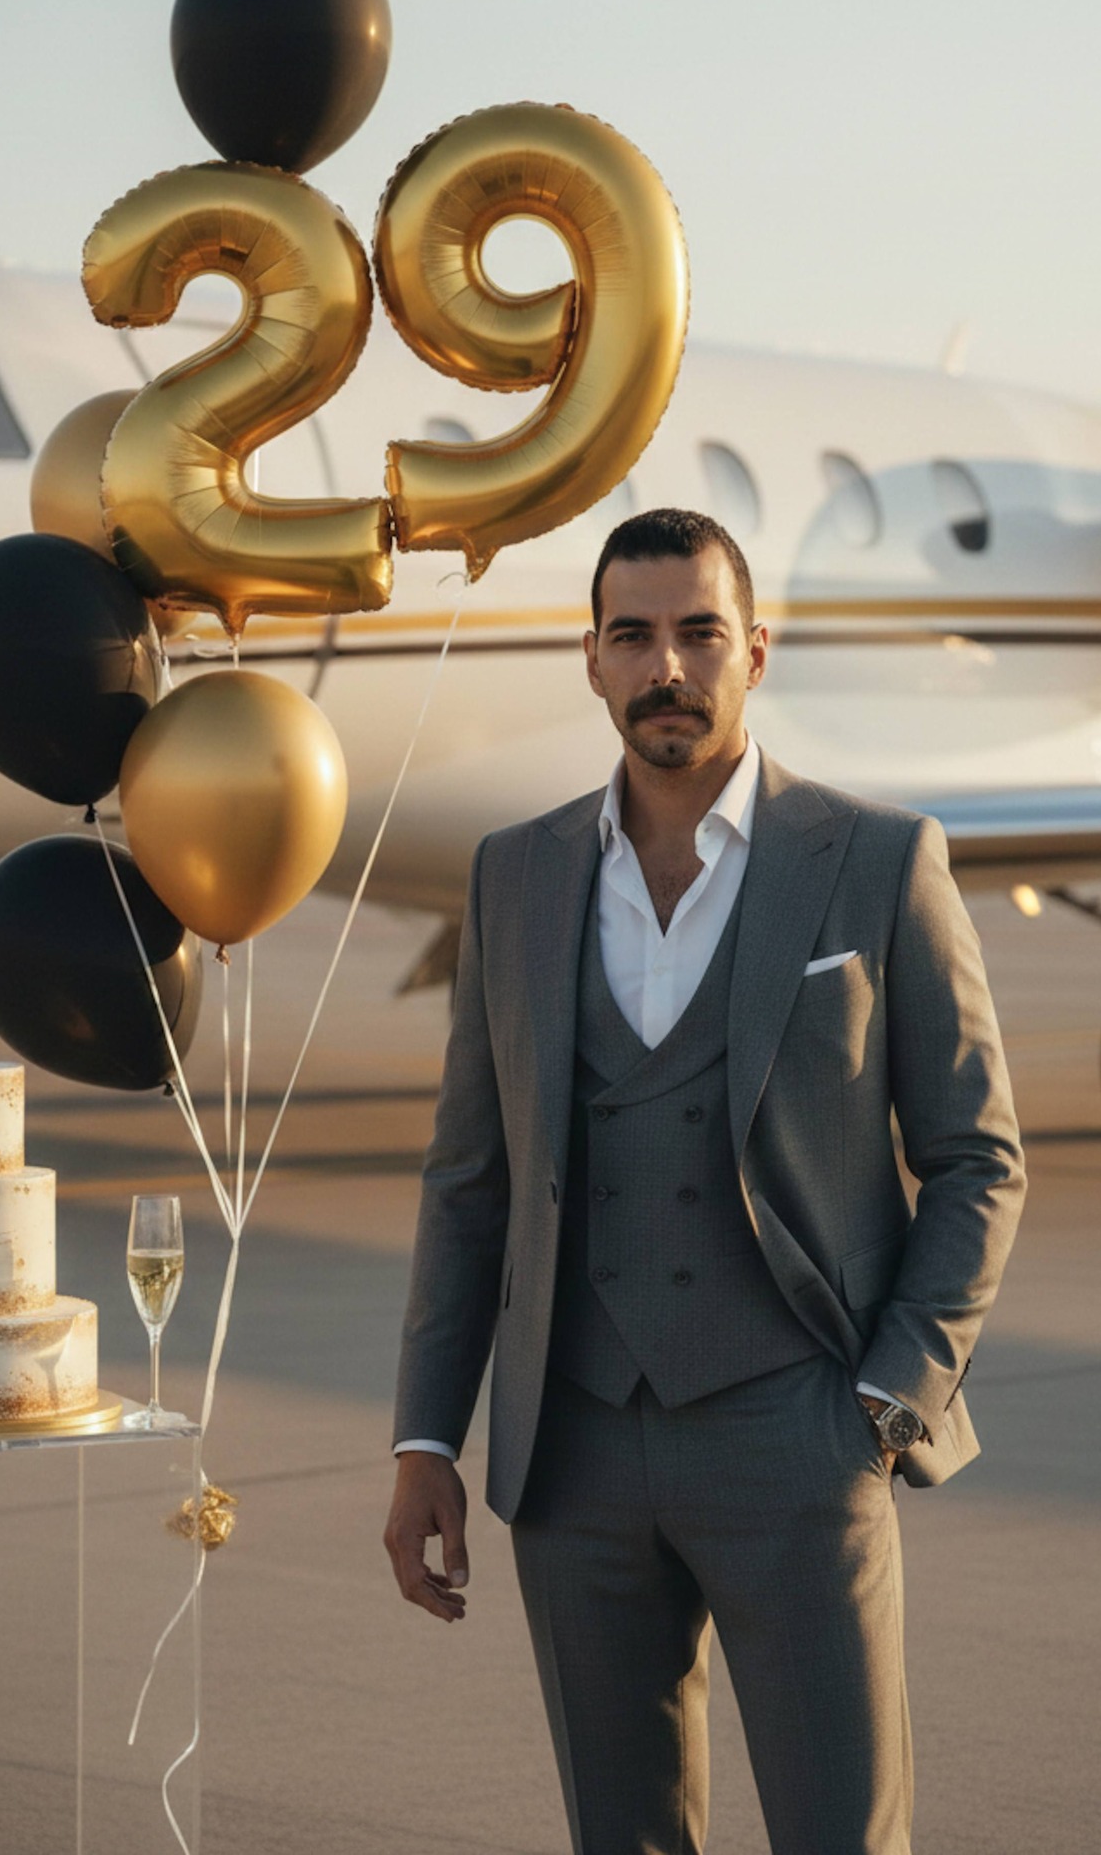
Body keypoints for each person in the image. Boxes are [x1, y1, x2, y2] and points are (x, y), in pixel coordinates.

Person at [384, 507, 1025, 1854]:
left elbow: (978, 1159)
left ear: (756, 652)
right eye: (632, 636)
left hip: (800, 1437)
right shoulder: (515, 875)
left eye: (699, 634)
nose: (665, 666)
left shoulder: (879, 859)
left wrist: (889, 1398)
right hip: (571, 1457)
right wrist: (427, 1439)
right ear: (592, 660)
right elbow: (469, 1183)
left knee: (842, 1836)